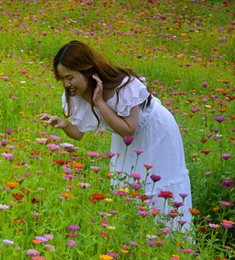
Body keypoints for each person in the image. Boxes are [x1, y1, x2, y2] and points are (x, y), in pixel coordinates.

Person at [39, 40, 192, 233]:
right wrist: (65, 125)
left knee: (159, 186)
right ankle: (137, 237)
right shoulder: (75, 93)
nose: (67, 84)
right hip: (125, 139)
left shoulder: (124, 85)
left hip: (155, 132)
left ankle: (172, 239)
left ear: (87, 70)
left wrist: (99, 102)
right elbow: (78, 134)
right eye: (62, 79)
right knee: (127, 188)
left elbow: (129, 129)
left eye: (70, 77)